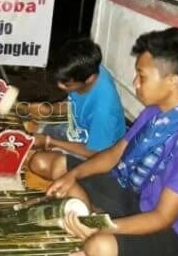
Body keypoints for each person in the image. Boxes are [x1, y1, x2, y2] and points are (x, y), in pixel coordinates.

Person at [46, 27, 178, 256]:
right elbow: (115, 154)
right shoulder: (155, 112)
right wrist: (73, 175)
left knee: (99, 246)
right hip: (140, 196)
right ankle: (94, 220)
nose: (135, 84)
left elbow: (162, 218)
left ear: (172, 81)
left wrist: (101, 226)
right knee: (59, 168)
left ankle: (94, 227)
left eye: (142, 76)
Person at [26, 38, 126, 180]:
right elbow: (73, 102)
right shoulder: (89, 69)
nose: (60, 86)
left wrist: (50, 142)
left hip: (99, 157)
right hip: (78, 133)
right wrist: (49, 109)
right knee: (31, 133)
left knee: (38, 162)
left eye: (67, 85)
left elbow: (95, 154)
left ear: (89, 79)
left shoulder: (103, 111)